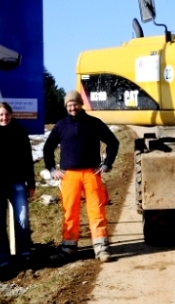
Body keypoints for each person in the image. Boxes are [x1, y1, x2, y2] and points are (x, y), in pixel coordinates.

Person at [43, 90, 119, 263]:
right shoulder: (61, 126)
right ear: (66, 107)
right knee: (69, 211)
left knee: (96, 210)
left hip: (91, 173)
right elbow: (48, 148)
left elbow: (113, 143)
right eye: (69, 105)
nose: (72, 107)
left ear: (80, 104)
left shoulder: (94, 123)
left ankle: (101, 248)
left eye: (75, 104)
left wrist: (106, 164)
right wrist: (52, 169)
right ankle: (68, 249)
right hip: (69, 176)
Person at [0, 101, 37, 277]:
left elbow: (28, 159)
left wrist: (31, 184)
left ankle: (25, 254)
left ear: (11, 115)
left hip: (17, 183)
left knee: (22, 219)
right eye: (0, 115)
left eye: (6, 114)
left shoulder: (20, 133)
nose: (4, 118)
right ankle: (4, 259)